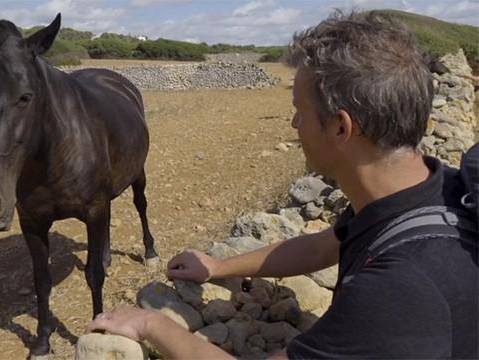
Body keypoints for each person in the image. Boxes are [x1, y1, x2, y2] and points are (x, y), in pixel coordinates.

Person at [88, 11, 479, 359]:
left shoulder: (396, 291)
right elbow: (324, 245)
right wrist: (218, 266)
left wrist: (151, 325)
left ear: (341, 127)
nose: (294, 125)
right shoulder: (431, 188)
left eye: (299, 110)